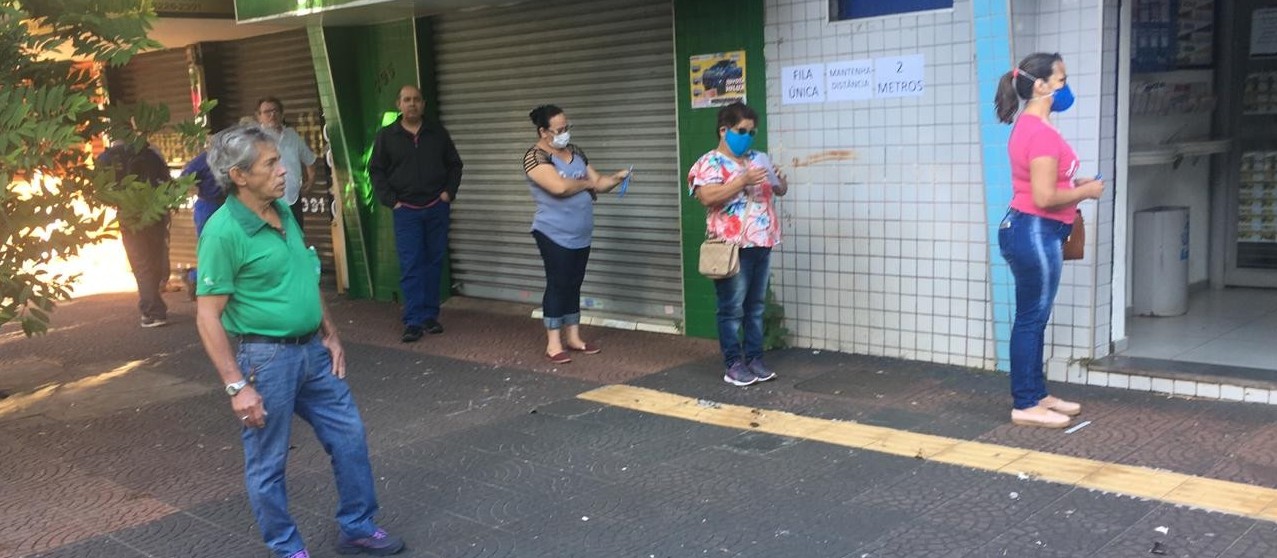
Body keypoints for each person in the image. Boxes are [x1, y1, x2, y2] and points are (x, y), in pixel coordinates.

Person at [195, 124, 405, 558]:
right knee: (268, 463)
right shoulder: (222, 233)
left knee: (349, 437)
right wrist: (237, 386)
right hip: (265, 360)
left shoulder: (282, 210)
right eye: (271, 163)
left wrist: (330, 333)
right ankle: (287, 548)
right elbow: (207, 316)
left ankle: (358, 526)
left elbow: (303, 276)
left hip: (312, 352)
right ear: (239, 175)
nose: (283, 170)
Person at [994, 53, 1104, 428]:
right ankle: (1025, 403)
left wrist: (1074, 185)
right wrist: (1086, 192)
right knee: (1031, 319)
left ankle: (1037, 394)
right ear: (1040, 86)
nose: (1065, 87)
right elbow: (1042, 198)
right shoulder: (1038, 132)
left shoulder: (1032, 127)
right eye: (1060, 80)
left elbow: (1043, 185)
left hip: (1032, 230)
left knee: (1035, 319)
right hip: (1035, 231)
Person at [688, 102, 788, 387]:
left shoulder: (759, 158)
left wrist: (779, 182)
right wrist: (741, 180)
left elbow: (777, 191)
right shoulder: (709, 163)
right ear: (724, 130)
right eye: (741, 131)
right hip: (731, 246)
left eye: (752, 132)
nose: (747, 137)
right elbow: (707, 197)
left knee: (756, 305)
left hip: (762, 240)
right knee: (732, 307)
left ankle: (755, 358)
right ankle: (733, 363)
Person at [522, 105, 630, 364]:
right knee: (558, 283)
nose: (565, 133)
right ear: (543, 132)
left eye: (567, 127)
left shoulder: (575, 152)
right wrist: (586, 184)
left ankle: (574, 337)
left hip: (581, 231)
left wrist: (616, 177)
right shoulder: (534, 157)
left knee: (574, 282)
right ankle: (553, 343)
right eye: (559, 130)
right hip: (553, 232)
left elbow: (599, 182)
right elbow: (558, 187)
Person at [369, 85, 464, 343]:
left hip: (436, 207)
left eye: (417, 100)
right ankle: (412, 320)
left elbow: (455, 165)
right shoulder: (387, 136)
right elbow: (376, 171)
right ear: (398, 104)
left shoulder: (437, 133)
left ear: (423, 104)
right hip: (406, 211)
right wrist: (391, 201)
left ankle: (430, 316)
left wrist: (448, 194)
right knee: (411, 264)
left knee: (434, 262)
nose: (412, 104)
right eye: (407, 100)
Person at [97, 140, 172, 328]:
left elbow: (99, 190)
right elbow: (167, 180)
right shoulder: (150, 152)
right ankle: (154, 304)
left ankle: (153, 311)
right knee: (155, 256)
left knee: (141, 262)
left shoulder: (106, 158)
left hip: (129, 212)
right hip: (155, 209)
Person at [255, 96, 317, 232]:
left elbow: (310, 159)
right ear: (259, 117)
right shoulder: (255, 139)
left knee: (297, 238)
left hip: (293, 199)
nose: (272, 115)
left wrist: (311, 180)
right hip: (269, 202)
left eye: (275, 110)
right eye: (267, 112)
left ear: (282, 114)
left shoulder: (291, 135)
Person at [179, 146, 225, 300]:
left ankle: (196, 277)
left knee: (222, 248)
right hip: (208, 205)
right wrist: (194, 189)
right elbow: (184, 177)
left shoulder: (232, 156)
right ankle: (196, 278)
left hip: (224, 205)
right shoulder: (204, 158)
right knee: (208, 247)